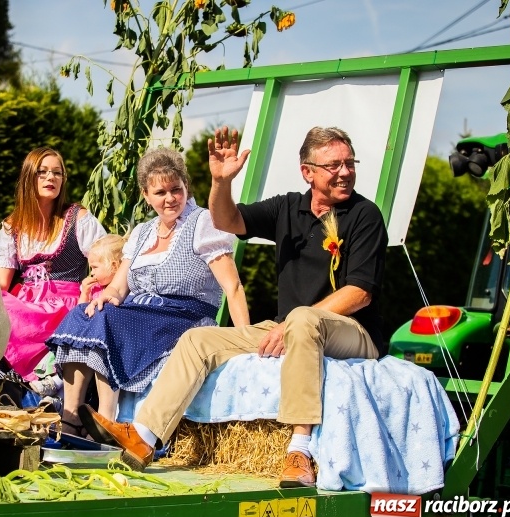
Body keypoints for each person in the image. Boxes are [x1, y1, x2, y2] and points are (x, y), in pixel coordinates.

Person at [77, 126, 388, 489]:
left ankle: (299, 452)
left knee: (302, 319)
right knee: (197, 340)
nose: (346, 172)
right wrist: (221, 181)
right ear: (308, 171)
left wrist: (292, 324)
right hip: (289, 324)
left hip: (353, 331)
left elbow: (360, 293)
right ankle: (144, 436)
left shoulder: (365, 214)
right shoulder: (288, 207)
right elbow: (227, 221)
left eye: (350, 163)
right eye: (334, 165)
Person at [47, 147, 250, 437]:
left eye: (175, 189)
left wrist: (245, 339)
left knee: (111, 320)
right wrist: (108, 296)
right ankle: (71, 417)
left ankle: (107, 420)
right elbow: (119, 286)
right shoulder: (142, 232)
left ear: (186, 187)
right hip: (141, 315)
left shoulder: (203, 223)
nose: (170, 198)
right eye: (160, 192)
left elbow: (233, 286)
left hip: (183, 317)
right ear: (146, 195)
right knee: (84, 313)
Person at [0, 146, 107, 398]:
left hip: (66, 303)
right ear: (29, 177)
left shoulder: (77, 218)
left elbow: (107, 260)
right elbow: (1, 282)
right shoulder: (12, 227)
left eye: (57, 173)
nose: (50, 178)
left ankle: (54, 379)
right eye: (42, 172)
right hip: (28, 308)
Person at [78, 234, 127, 304]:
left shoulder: (125, 290)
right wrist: (85, 293)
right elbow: (80, 310)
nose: (92, 273)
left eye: (94, 267)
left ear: (114, 266)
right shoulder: (93, 288)